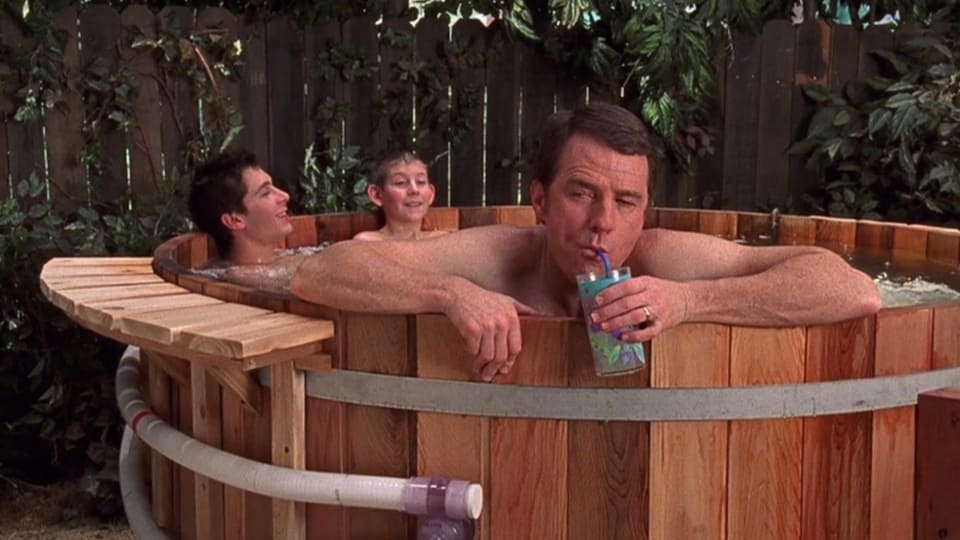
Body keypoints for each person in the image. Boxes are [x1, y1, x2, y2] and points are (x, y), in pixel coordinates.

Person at [287, 102, 881, 381]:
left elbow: (852, 288)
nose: (603, 221)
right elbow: (320, 270)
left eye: (626, 202)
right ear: (540, 200)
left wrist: (690, 301)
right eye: (581, 193)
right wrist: (449, 293)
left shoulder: (661, 258)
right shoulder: (500, 256)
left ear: (645, 209)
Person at [188, 150, 307, 291]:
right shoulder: (248, 280)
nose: (285, 196)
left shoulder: (286, 261)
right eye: (266, 193)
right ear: (234, 220)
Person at [353, 150, 449, 241]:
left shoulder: (443, 240)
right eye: (400, 182)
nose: (414, 190)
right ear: (377, 195)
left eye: (421, 182)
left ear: (431, 194)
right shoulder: (367, 242)